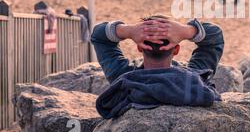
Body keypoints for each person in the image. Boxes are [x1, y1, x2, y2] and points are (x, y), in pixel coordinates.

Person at [91, 15, 224, 118]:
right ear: (176, 50)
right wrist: (186, 31)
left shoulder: (123, 79)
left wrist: (129, 31)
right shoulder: (195, 80)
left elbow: (99, 36)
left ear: (139, 47)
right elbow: (215, 37)